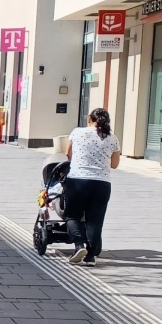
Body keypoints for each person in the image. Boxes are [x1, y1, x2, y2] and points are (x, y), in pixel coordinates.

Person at [64, 108, 122, 267]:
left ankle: (79, 245)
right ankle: (90, 257)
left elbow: (68, 155)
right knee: (95, 221)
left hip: (77, 181)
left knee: (72, 215)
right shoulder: (112, 138)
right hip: (102, 184)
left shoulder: (77, 132)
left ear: (89, 119)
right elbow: (115, 165)